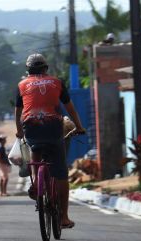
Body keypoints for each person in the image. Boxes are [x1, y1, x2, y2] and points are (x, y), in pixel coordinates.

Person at [14, 53, 86, 229]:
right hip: (53, 127)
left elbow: (18, 113)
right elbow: (70, 109)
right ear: (46, 68)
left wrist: (19, 131)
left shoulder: (21, 85)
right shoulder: (57, 82)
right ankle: (63, 218)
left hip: (31, 127)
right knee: (61, 172)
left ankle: (37, 183)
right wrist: (79, 127)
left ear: (28, 70)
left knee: (34, 149)